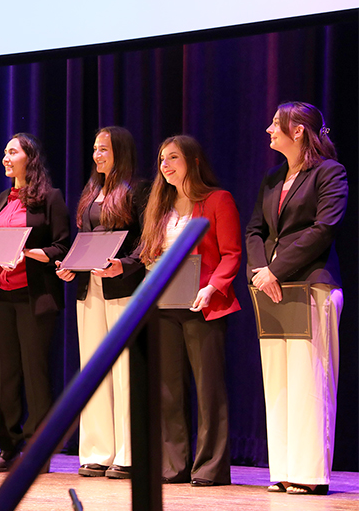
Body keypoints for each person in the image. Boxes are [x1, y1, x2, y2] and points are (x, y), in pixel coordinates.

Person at [111, 135, 241, 486]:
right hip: (164, 304)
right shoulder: (160, 207)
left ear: (193, 162)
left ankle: (210, 467)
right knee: (168, 389)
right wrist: (120, 267)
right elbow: (147, 255)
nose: (165, 165)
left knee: (208, 389)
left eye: (173, 158)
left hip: (204, 303)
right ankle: (174, 465)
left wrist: (214, 286)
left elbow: (231, 253)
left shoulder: (217, 200)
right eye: (161, 160)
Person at [246, 102, 347, 496]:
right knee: (279, 381)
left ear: (299, 130)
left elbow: (324, 228)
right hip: (270, 287)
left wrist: (277, 269)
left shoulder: (328, 173)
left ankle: (309, 473)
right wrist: (259, 273)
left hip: (311, 285)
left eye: (276, 123)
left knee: (310, 379)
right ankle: (285, 469)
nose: (269, 129)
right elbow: (255, 229)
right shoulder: (273, 178)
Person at [0, 132, 70, 472]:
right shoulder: (1, 199)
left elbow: (62, 247)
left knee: (35, 373)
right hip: (0, 298)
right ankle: (8, 447)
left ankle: (38, 449)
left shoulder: (50, 198)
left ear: (30, 158)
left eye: (13, 152)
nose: (6, 158)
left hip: (33, 296)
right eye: (4, 152)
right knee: (8, 374)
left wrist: (26, 254)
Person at [55, 127, 146, 479]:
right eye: (94, 149)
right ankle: (96, 450)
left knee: (123, 369)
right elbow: (85, 239)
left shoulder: (138, 189)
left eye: (104, 149)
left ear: (120, 151)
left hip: (121, 286)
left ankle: (127, 451)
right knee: (94, 368)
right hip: (89, 287)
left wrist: (125, 266)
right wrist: (70, 266)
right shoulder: (92, 190)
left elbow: (144, 242)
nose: (97, 155)